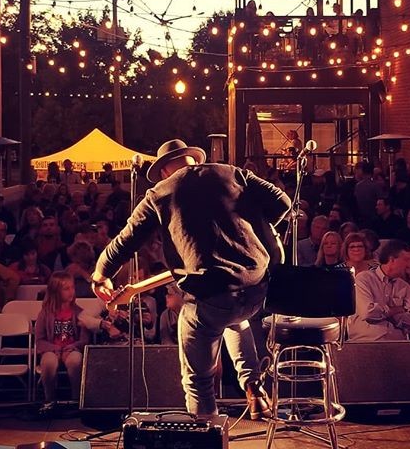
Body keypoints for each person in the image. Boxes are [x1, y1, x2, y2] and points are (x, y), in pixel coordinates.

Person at [91, 138, 291, 419]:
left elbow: (127, 239)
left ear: (163, 171)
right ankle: (254, 388)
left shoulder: (160, 193)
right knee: (235, 319)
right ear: (193, 160)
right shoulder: (231, 172)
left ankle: (205, 431)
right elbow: (283, 203)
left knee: (197, 379)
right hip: (257, 288)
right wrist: (254, 227)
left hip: (212, 296)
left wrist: (101, 273)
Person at [35, 271, 90, 413]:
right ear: (56, 291)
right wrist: (54, 348)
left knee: (75, 361)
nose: (71, 292)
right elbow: (39, 340)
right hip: (51, 349)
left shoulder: (79, 312)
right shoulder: (45, 313)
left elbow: (84, 340)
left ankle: (76, 400)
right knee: (48, 363)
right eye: (66, 289)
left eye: (72, 287)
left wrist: (72, 346)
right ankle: (49, 399)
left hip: (71, 349)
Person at [349, 239, 410, 342]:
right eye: (406, 260)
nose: (409, 264)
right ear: (392, 260)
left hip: (397, 345)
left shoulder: (405, 287)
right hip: (367, 343)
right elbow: (367, 313)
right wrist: (396, 310)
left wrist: (382, 312)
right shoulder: (363, 279)